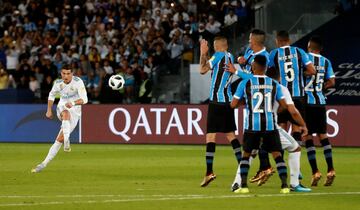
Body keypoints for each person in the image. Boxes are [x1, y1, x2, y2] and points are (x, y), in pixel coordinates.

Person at [227, 61, 311, 192]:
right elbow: (292, 110)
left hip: (252, 125)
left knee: (248, 154)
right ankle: (293, 184)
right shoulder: (278, 87)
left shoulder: (248, 83)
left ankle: (237, 184)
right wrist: (303, 125)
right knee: (295, 148)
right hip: (271, 126)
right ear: (278, 77)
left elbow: (234, 103)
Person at [199, 37, 242, 187]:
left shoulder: (218, 55)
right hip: (228, 101)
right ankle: (243, 168)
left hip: (216, 102)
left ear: (217, 46)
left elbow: (202, 70)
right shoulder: (230, 57)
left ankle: (209, 172)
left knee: (210, 136)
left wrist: (202, 53)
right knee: (231, 135)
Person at [31, 65, 88, 173]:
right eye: (63, 73)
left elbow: (85, 99)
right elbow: (51, 95)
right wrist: (48, 110)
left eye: (68, 74)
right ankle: (67, 140)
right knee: (65, 113)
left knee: (58, 140)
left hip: (75, 111)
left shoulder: (78, 82)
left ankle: (43, 164)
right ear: (61, 74)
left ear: (72, 74)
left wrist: (73, 103)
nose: (65, 76)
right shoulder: (57, 83)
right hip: (62, 107)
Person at [304, 36, 336, 186]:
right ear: (320, 49)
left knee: (307, 136)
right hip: (320, 102)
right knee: (323, 135)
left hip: (307, 103)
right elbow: (332, 82)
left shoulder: (305, 58)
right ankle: (331, 169)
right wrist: (321, 89)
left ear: (309, 47)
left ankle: (315, 171)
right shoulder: (326, 61)